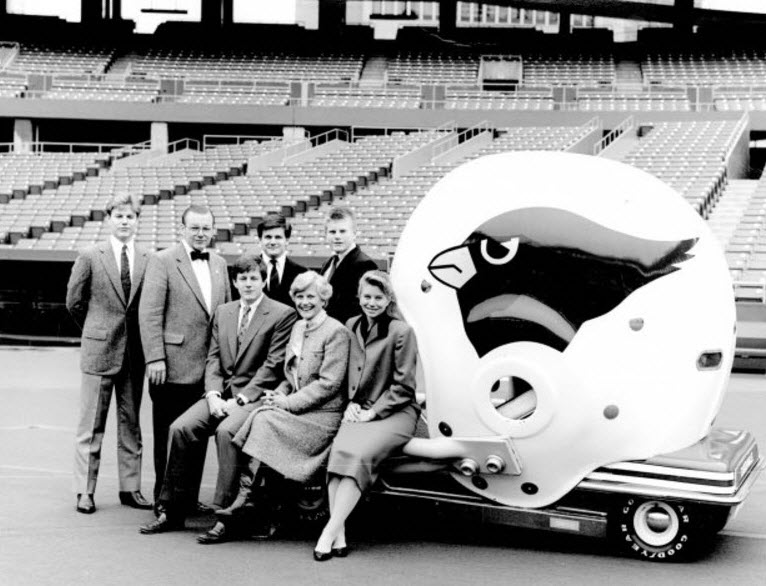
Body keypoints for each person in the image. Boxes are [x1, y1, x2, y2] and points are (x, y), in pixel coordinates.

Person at [139, 254, 296, 536]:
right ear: (234, 282)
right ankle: (172, 511)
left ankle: (226, 517)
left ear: (263, 281)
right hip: (220, 394)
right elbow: (213, 358)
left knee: (226, 432)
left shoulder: (282, 314)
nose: (248, 284)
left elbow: (272, 366)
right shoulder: (224, 312)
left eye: (254, 278)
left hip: (254, 398)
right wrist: (212, 394)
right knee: (180, 428)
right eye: (243, 279)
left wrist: (240, 400)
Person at [201, 271, 350, 545]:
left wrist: (287, 402)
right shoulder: (299, 327)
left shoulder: (336, 331)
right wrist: (278, 393)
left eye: (311, 297)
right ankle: (248, 499)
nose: (304, 302)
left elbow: (329, 384)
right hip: (298, 409)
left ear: (324, 299)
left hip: (322, 416)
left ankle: (247, 497)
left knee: (262, 419)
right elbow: (288, 375)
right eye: (299, 296)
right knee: (262, 414)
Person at [314, 270, 419, 561]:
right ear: (359, 297)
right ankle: (340, 534)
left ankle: (328, 532)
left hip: (395, 412)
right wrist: (351, 403)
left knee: (358, 455)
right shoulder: (351, 325)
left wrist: (373, 411)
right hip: (360, 409)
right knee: (339, 454)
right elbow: (348, 371)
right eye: (367, 297)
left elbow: (404, 387)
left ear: (388, 300)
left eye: (378, 298)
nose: (372, 303)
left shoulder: (402, 331)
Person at [139, 204, 231, 506]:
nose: (201, 233)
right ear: (183, 229)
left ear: (213, 231)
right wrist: (155, 358)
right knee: (167, 435)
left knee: (196, 435)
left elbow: (227, 315)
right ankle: (164, 500)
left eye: (206, 228)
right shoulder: (162, 260)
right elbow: (149, 313)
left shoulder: (219, 263)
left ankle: (188, 499)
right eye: (195, 228)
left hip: (209, 370)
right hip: (171, 366)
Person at [66, 193, 153, 514]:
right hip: (99, 352)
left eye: (130, 216)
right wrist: (96, 329)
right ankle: (84, 491)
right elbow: (74, 302)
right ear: (109, 219)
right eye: (119, 216)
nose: (125, 221)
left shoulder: (148, 258)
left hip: (134, 355)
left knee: (131, 425)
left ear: (137, 220)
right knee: (91, 426)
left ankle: (130, 488)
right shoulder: (90, 255)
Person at [320, 206, 377, 323]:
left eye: (342, 231)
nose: (337, 236)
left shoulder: (365, 265)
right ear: (326, 235)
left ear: (354, 234)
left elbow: (361, 311)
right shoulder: (328, 264)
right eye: (332, 232)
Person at [257, 213, 307, 308]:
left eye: (278, 237)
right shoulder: (246, 273)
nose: (273, 242)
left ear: (287, 240)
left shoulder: (302, 274)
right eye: (268, 237)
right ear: (260, 240)